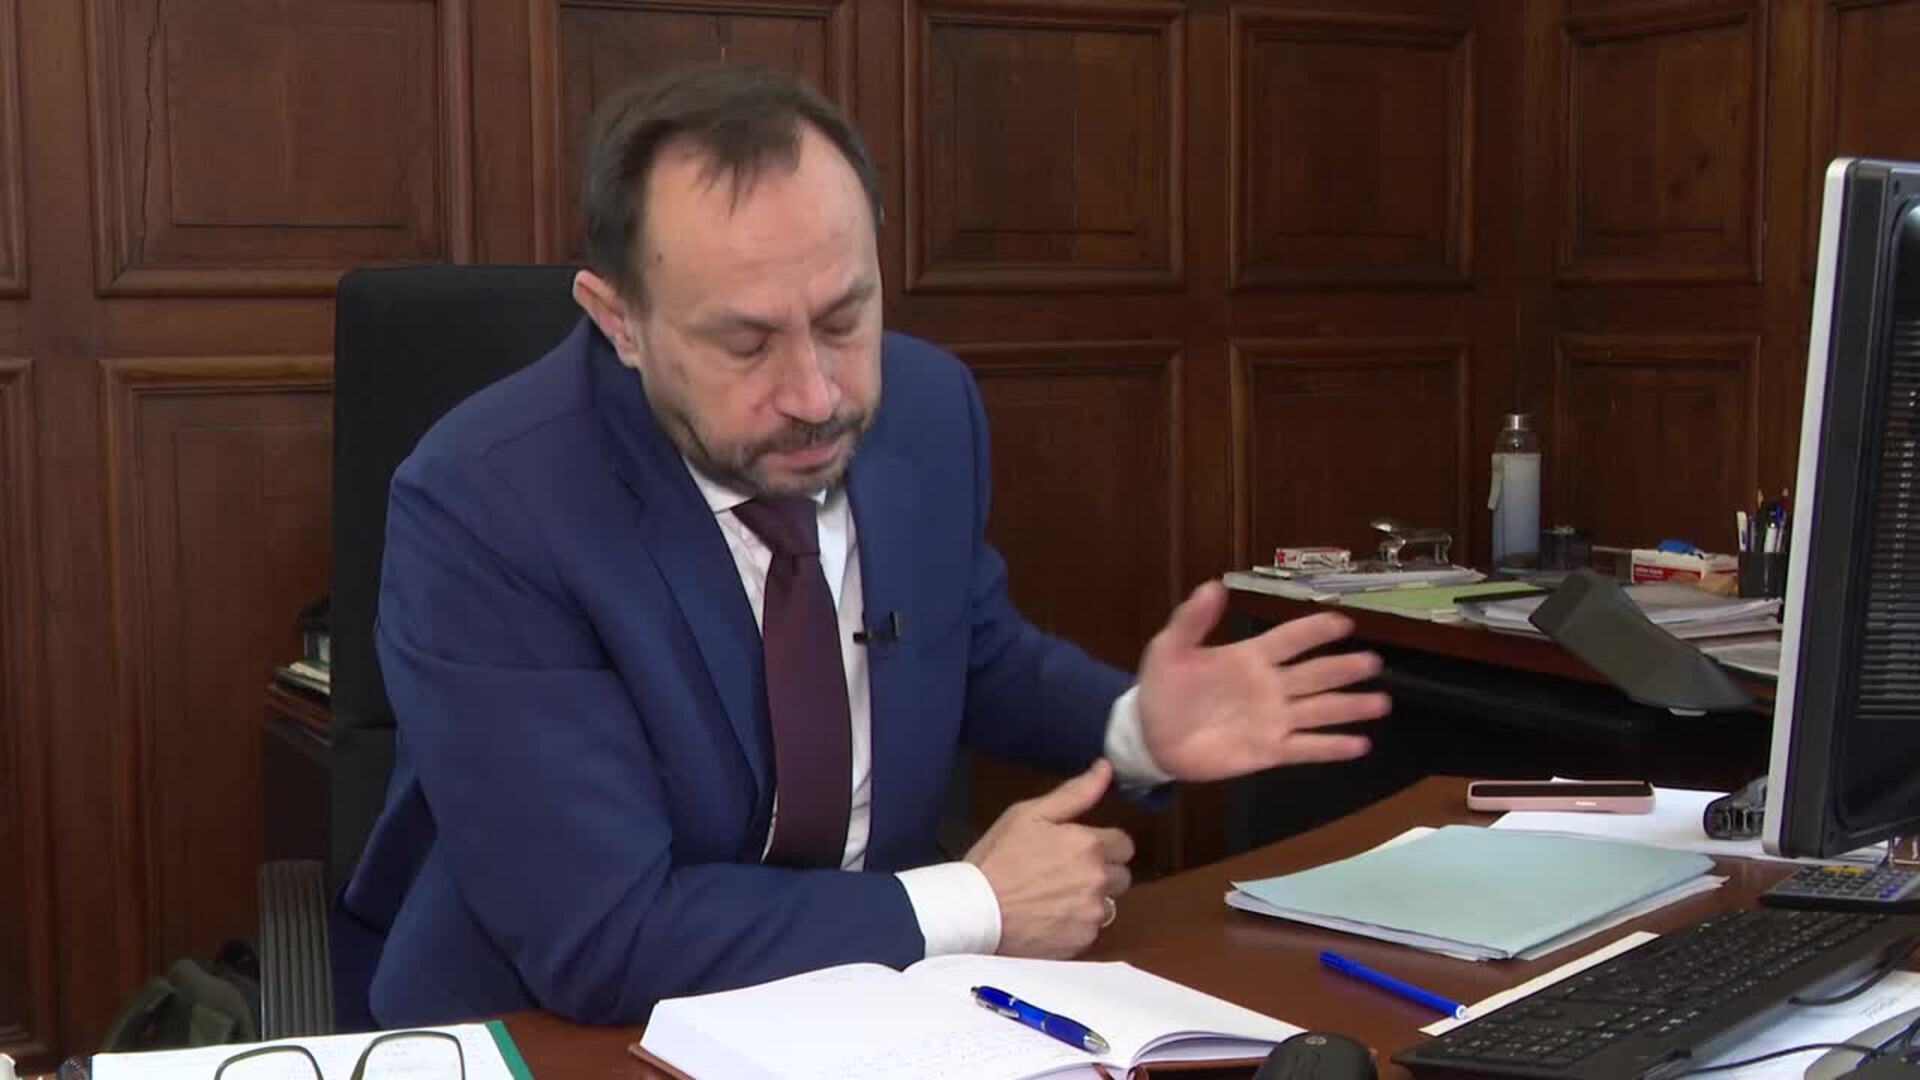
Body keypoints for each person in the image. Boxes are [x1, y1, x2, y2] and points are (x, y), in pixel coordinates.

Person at [342, 63, 1390, 1027]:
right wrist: (974, 902)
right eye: (747, 342)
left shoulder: (928, 407)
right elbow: (607, 938)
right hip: (563, 1036)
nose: (817, 394)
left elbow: (960, 647)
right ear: (619, 322)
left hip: (873, 1011)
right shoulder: (487, 504)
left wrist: (1132, 728)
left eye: (845, 318)